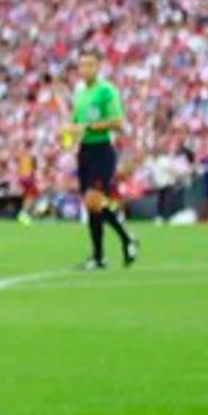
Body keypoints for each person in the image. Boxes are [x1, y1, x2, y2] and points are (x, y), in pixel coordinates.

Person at [68, 52, 138, 268]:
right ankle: (101, 255)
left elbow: (117, 122)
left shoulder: (106, 90)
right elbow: (75, 123)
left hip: (102, 150)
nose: (85, 69)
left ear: (98, 67)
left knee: (94, 200)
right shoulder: (80, 93)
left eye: (90, 65)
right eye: (82, 65)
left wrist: (89, 127)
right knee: (93, 207)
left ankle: (121, 241)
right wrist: (68, 135)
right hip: (85, 150)